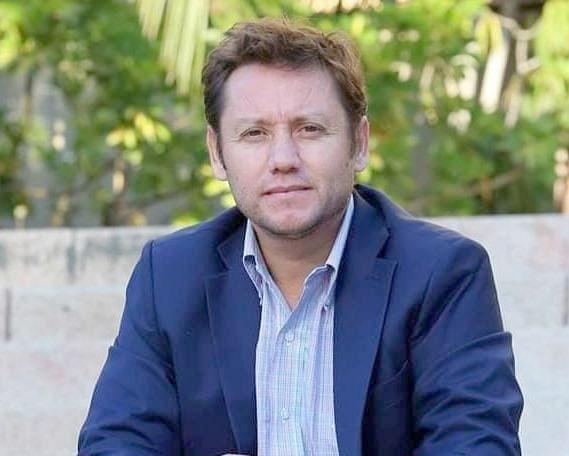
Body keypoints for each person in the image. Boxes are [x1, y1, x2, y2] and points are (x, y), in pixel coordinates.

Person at [78, 18, 523, 456]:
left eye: (309, 129)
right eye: (254, 134)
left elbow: (478, 446)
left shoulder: (443, 273)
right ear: (217, 153)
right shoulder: (170, 276)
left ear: (359, 143)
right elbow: (114, 444)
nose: (283, 159)